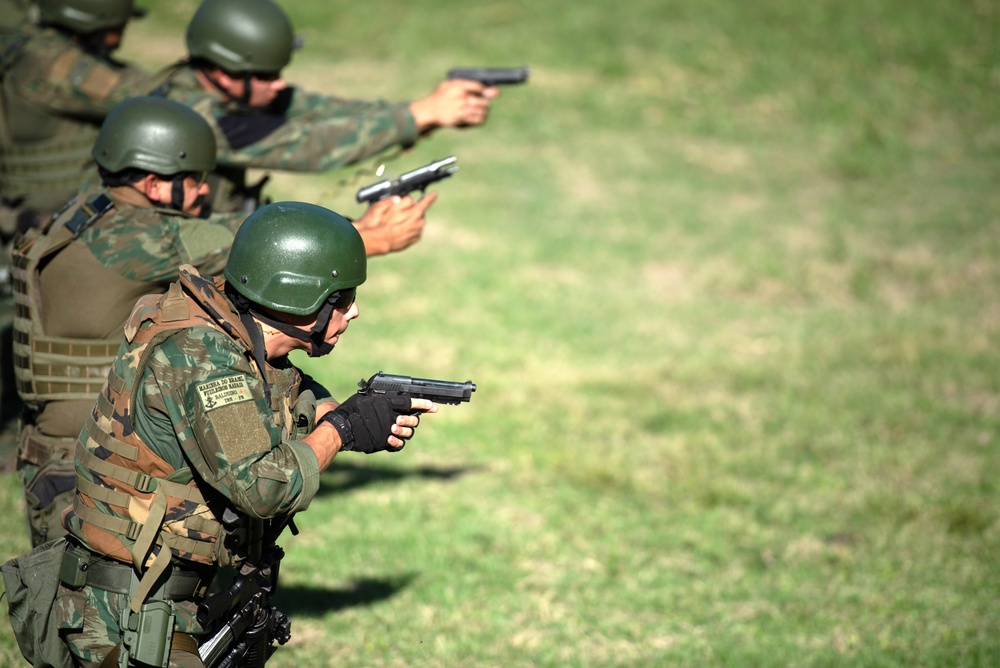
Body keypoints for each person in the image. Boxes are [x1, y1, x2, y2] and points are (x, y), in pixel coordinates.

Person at [36, 201, 433, 666]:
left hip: (166, 593)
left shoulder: (229, 320)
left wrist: (337, 410)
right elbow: (262, 486)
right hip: (130, 610)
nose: (355, 311)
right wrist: (341, 430)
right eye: (342, 299)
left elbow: (274, 383)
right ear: (298, 298)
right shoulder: (203, 358)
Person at [9, 95, 251, 549]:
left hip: (53, 456)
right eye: (195, 181)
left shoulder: (88, 211)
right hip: (89, 463)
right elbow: (252, 245)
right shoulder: (135, 238)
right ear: (156, 185)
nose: (204, 191)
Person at [157, 0, 499, 215]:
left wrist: (424, 111)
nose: (279, 84)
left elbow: (323, 111)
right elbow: (308, 145)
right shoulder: (193, 117)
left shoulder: (231, 93)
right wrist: (418, 115)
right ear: (222, 72)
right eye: (267, 75)